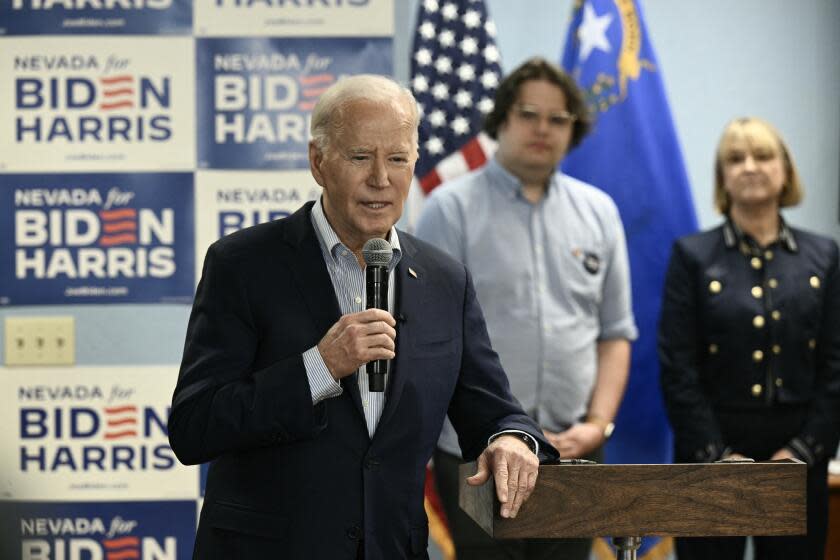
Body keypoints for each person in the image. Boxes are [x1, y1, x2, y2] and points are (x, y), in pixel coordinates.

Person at [167, 74, 558, 560]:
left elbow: (494, 408)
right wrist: (319, 367)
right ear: (318, 162)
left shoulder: (444, 280)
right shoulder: (243, 265)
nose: (380, 179)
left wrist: (512, 439)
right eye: (359, 157)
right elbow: (194, 426)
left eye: (397, 159)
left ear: (414, 164)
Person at [415, 57, 637, 560]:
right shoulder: (450, 210)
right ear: (502, 120)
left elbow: (615, 333)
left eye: (558, 119)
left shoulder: (599, 211)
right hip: (480, 453)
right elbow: (429, 340)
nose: (543, 128)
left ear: (574, 128)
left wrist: (598, 423)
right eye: (529, 113)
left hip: (574, 450)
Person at [659, 117, 840, 559]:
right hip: (711, 454)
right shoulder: (692, 256)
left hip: (798, 458)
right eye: (735, 159)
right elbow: (677, 366)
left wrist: (802, 452)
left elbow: (836, 365)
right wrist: (716, 454)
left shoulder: (824, 256)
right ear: (722, 177)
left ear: (786, 171)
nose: (749, 166)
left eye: (763, 155)